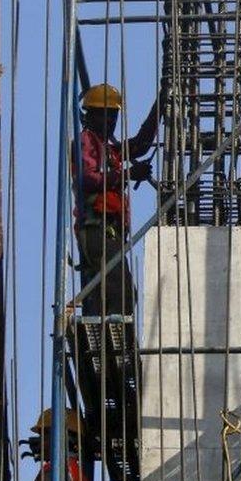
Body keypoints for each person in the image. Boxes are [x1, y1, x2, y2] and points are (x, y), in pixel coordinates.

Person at [73, 83, 162, 316]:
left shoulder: (109, 151)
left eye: (114, 116)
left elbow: (140, 144)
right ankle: (109, 342)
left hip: (108, 232)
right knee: (122, 294)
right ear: (91, 115)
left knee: (109, 294)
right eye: (106, 115)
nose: (111, 122)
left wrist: (160, 104)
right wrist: (127, 174)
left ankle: (104, 334)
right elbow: (87, 178)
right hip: (96, 229)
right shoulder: (86, 142)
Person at [27, 408, 93, 481]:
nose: (40, 441)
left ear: (62, 437)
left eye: (44, 434)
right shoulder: (80, 477)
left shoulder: (56, 470)